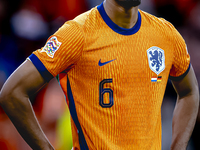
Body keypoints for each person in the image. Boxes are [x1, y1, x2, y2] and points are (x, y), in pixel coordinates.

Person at [0, 0, 199, 149]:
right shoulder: (77, 33)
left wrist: (178, 146)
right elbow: (12, 92)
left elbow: (189, 92)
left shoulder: (166, 35)